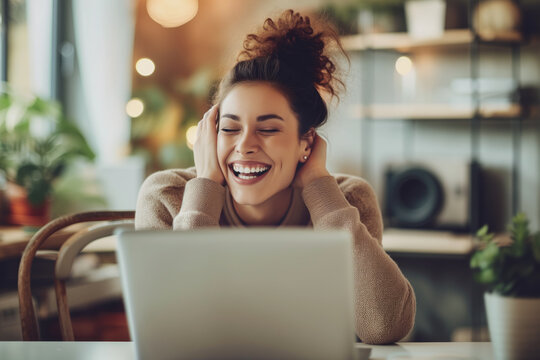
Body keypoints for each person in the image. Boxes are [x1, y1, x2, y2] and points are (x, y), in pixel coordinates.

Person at [135, 9, 415, 344]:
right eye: (229, 128)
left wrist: (321, 192)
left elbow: (384, 326)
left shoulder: (348, 199)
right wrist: (206, 187)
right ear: (210, 134)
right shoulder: (169, 196)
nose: (245, 145)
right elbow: (170, 332)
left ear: (305, 143)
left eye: (267, 129)